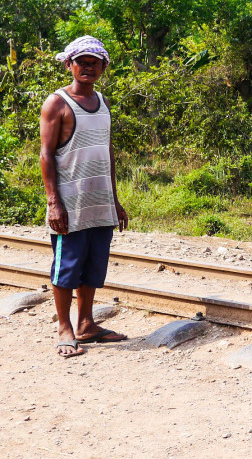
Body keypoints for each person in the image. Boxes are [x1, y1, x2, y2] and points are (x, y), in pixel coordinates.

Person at [39, 36, 129, 358]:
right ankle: (65, 328)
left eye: (95, 62)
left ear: (103, 67)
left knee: (93, 265)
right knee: (67, 267)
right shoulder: (57, 103)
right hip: (70, 204)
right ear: (69, 64)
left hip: (100, 202)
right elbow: (46, 155)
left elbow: (106, 152)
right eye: (82, 61)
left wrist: (115, 201)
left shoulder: (102, 102)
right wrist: (54, 202)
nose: (88, 67)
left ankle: (87, 324)